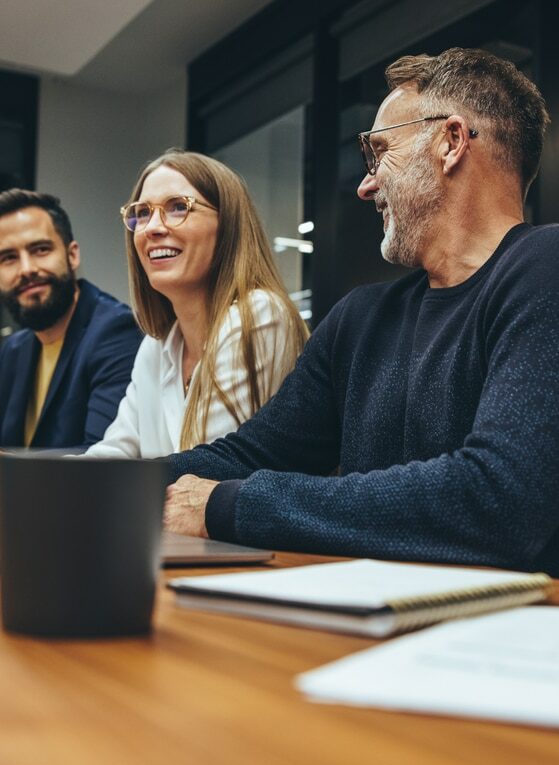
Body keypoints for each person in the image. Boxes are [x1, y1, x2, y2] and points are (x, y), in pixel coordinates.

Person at [163, 47, 559, 576]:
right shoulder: (361, 317)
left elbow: (499, 500)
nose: (365, 184)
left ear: (451, 141)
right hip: (372, 620)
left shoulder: (544, 268)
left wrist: (227, 506)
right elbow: (251, 455)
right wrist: (106, 487)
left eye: (379, 153)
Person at [85, 150, 308, 458]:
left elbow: (204, 472)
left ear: (228, 226)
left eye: (178, 207)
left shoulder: (260, 315)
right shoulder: (157, 346)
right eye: (143, 213)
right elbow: (115, 452)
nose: (152, 228)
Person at [0, 190, 142, 450]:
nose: (26, 269)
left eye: (40, 249)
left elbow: (99, 460)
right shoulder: (13, 349)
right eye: (8, 258)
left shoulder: (116, 332)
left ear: (72, 255)